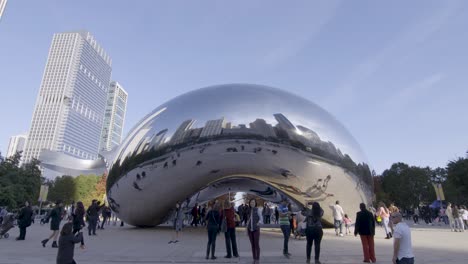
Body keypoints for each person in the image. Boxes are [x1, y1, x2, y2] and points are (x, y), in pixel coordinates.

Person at [247, 199, 262, 263]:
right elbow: (248, 219)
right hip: (250, 229)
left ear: (255, 203)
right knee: (252, 244)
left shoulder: (257, 209)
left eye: (253, 202)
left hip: (256, 229)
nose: (252, 203)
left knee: (256, 244)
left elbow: (261, 218)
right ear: (249, 203)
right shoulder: (248, 210)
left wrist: (258, 223)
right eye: (251, 202)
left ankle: (257, 259)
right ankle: (254, 258)